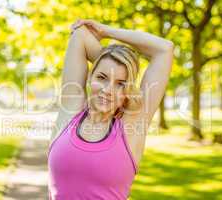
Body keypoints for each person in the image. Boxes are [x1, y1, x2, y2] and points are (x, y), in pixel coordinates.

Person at [47, 19, 174, 199]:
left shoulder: (133, 125)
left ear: (128, 91)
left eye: (120, 84)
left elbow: (164, 49)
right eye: (102, 77)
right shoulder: (70, 110)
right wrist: (111, 57)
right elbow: (80, 34)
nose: (108, 90)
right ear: (90, 76)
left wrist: (107, 31)